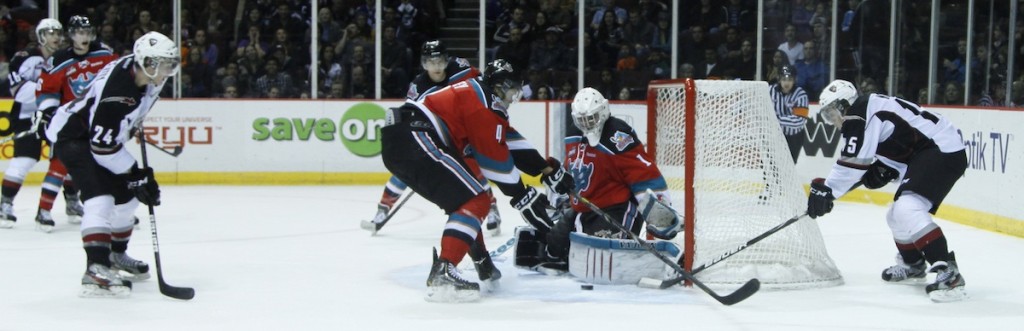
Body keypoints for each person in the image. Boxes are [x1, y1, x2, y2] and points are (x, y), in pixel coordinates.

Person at [379, 59, 570, 302]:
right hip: (417, 138)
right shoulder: (482, 106)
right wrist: (523, 197)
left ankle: (480, 259)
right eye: (511, 91)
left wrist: (546, 169)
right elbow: (495, 162)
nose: (513, 98)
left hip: (405, 139)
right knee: (477, 200)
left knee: (464, 203)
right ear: (499, 86)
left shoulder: (480, 96)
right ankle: (444, 269)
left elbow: (509, 142)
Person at [44, 31, 178, 297]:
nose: (168, 70)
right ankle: (96, 267)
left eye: (170, 64)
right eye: (164, 64)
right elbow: (102, 148)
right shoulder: (118, 93)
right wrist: (135, 173)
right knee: (100, 198)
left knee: (128, 199)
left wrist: (131, 130)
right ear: (147, 62)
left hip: (95, 134)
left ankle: (117, 256)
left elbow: (130, 113)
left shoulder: (147, 75)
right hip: (74, 136)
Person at [807, 79, 968, 302]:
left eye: (832, 113)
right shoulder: (868, 108)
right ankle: (913, 264)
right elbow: (900, 140)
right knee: (895, 215)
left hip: (941, 148)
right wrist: (886, 168)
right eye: (827, 116)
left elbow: (851, 164)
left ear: (845, 105)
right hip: (931, 149)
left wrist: (827, 190)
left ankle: (950, 275)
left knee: (907, 208)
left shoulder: (858, 114)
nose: (832, 120)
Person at [362, 40, 505, 236]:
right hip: (435, 133)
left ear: (447, 61)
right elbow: (412, 115)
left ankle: (492, 210)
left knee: (473, 169)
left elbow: (482, 87)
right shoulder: (418, 87)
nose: (436, 67)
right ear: (423, 64)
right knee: (406, 172)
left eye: (439, 62)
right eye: (431, 62)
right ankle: (382, 210)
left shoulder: (461, 69)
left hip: (463, 130)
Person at [537, 87, 680, 280]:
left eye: (591, 118)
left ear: (603, 111)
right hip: (584, 209)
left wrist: (659, 209)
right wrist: (560, 190)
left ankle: (666, 260)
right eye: (581, 120)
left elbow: (642, 171)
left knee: (602, 253)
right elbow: (574, 168)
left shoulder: (616, 134)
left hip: (617, 209)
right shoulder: (573, 133)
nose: (586, 125)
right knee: (554, 246)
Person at [0, 18, 86, 232]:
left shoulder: (64, 58)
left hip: (57, 117)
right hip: (28, 116)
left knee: (67, 158)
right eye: (49, 32)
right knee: (25, 160)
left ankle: (72, 202)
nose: (55, 37)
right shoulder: (25, 58)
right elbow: (18, 92)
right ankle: (5, 204)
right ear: (40, 36)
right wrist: (48, 93)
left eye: (58, 32)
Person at [769, 65, 809, 163]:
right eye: (784, 79)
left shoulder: (801, 94)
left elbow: (799, 120)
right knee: (770, 166)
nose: (786, 83)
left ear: (795, 79)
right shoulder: (769, 91)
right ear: (779, 79)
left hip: (794, 137)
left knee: (789, 166)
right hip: (775, 136)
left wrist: (775, 120)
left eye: (790, 79)